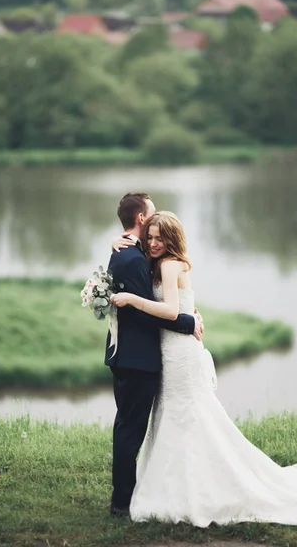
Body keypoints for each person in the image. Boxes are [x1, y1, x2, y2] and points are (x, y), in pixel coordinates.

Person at [110, 210, 297, 527]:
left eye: (159, 238)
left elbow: (168, 309)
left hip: (179, 353)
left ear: (172, 239)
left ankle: (197, 488)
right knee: (172, 415)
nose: (152, 243)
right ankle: (177, 482)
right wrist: (118, 242)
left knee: (188, 415)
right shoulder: (159, 262)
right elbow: (180, 303)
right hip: (169, 350)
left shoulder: (169, 264)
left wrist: (132, 299)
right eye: (149, 237)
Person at [105, 194, 204, 518]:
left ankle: (167, 489)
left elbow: (170, 296)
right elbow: (144, 314)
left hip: (157, 355)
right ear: (141, 220)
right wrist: (188, 322)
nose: (154, 238)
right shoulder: (133, 257)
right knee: (132, 429)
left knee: (160, 422)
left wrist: (190, 312)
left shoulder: (134, 254)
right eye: (150, 229)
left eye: (160, 237)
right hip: (138, 358)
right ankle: (122, 504)